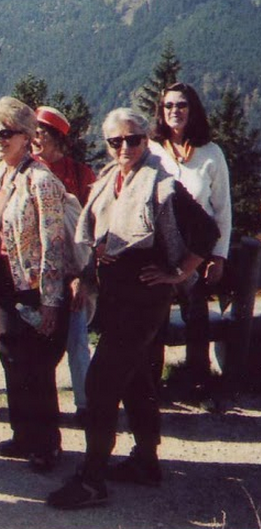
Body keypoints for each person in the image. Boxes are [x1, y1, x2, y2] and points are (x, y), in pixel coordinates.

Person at [47, 108, 204, 510]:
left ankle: (93, 478)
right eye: (115, 141)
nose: (124, 148)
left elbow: (207, 232)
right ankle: (146, 463)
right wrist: (90, 266)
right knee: (135, 379)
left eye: (132, 139)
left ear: (145, 140)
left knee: (101, 383)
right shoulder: (110, 180)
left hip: (143, 298)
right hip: (117, 296)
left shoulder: (162, 184)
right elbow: (98, 231)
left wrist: (176, 274)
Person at [0, 97, 71, 473]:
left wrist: (51, 301)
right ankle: (22, 434)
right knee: (11, 357)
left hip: (34, 286)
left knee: (37, 365)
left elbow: (54, 245)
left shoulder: (42, 180)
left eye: (7, 132)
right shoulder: (2, 173)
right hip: (6, 282)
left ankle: (47, 443)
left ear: (27, 136)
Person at [147, 82, 232, 404]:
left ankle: (197, 382)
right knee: (154, 318)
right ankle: (152, 385)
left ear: (192, 109)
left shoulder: (211, 153)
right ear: (161, 111)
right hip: (160, 250)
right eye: (168, 106)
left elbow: (223, 209)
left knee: (196, 316)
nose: (175, 111)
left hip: (197, 254)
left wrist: (219, 256)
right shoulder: (153, 151)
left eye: (181, 105)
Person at [32, 105, 97, 426]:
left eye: (40, 133)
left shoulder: (81, 174)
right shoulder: (26, 170)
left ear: (57, 138)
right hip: (37, 274)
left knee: (76, 341)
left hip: (73, 273)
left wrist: (85, 277)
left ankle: (85, 405)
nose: (33, 138)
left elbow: (94, 229)